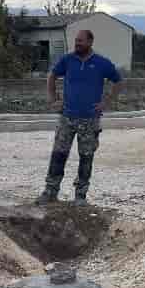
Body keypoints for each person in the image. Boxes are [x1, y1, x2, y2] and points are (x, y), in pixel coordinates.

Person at [36, 30, 123, 206]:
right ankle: (50, 191)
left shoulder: (102, 63)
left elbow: (118, 81)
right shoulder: (67, 60)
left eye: (80, 41)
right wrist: (53, 100)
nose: (77, 44)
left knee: (86, 157)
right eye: (76, 41)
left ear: (90, 42)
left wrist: (106, 102)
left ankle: (80, 195)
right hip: (67, 117)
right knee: (58, 154)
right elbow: (52, 76)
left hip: (90, 120)